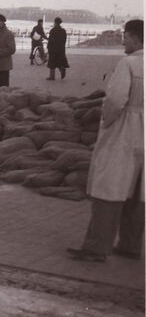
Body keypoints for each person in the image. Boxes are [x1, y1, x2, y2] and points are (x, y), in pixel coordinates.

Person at [67, 19, 143, 262]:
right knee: (139, 192)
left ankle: (96, 248)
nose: (123, 42)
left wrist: (107, 122)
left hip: (125, 130)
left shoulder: (129, 63)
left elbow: (116, 100)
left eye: (125, 37)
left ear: (135, 38)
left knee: (109, 187)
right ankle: (130, 245)